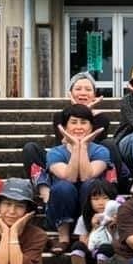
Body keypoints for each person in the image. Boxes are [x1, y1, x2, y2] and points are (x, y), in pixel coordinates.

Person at [22, 72, 127, 198]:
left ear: (94, 95)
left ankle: (109, 191)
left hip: (91, 161)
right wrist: (79, 112)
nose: (83, 93)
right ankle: (45, 193)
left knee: (110, 145)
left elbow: (92, 145)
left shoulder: (101, 118)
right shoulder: (60, 116)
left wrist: (86, 113)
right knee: (30, 148)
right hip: (64, 159)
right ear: (70, 93)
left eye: (88, 89)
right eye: (78, 89)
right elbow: (64, 143)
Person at [46, 104, 110, 252]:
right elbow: (70, 177)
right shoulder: (54, 153)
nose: (79, 127)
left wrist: (84, 146)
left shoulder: (101, 151)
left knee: (90, 184)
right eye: (73, 122)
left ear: (91, 127)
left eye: (84, 122)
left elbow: (87, 175)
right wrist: (76, 147)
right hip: (61, 209)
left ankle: (86, 234)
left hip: (91, 208)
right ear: (64, 127)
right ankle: (63, 238)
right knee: (63, 186)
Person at [66, 180, 119, 264]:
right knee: (77, 246)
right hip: (91, 256)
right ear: (89, 201)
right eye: (95, 199)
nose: (100, 202)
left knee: (105, 248)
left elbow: (119, 246)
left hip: (111, 259)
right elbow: (84, 244)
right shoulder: (84, 218)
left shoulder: (120, 217)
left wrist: (111, 229)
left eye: (105, 198)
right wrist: (94, 227)